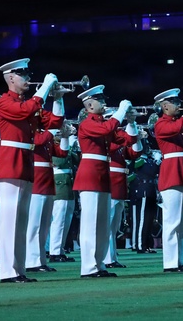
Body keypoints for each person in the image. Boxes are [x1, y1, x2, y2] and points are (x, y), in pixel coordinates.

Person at [0, 58, 65, 284]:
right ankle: (8, 271)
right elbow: (26, 111)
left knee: (20, 220)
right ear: (11, 78)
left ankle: (18, 269)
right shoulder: (4, 102)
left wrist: (59, 98)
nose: (27, 79)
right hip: (11, 160)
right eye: (23, 75)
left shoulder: (27, 103)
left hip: (25, 161)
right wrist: (44, 87)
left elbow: (55, 122)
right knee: (10, 219)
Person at [73, 84, 132, 278]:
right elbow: (107, 128)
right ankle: (89, 267)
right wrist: (121, 111)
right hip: (90, 175)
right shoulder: (88, 123)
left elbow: (126, 140)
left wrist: (130, 122)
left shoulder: (100, 124)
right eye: (100, 100)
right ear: (89, 106)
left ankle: (99, 264)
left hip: (102, 175)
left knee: (102, 224)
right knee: (91, 224)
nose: (104, 103)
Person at [152, 88, 183, 273]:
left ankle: (180, 260)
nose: (178, 105)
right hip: (172, 173)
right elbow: (177, 128)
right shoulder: (161, 124)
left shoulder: (178, 122)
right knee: (172, 221)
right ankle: (170, 262)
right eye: (175, 103)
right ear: (164, 106)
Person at [26, 126, 70, 273]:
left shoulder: (46, 136)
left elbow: (62, 153)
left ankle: (40, 260)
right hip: (36, 180)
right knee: (34, 224)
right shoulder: (32, 131)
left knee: (44, 225)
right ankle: (31, 260)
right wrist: (51, 130)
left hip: (47, 180)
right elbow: (38, 141)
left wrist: (64, 136)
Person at [104, 118, 142, 269]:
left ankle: (112, 257)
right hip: (111, 183)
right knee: (108, 224)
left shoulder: (118, 140)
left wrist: (136, 139)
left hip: (119, 185)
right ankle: (108, 259)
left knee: (114, 226)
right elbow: (112, 148)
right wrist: (127, 137)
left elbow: (134, 153)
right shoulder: (108, 140)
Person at [49, 132, 79, 263]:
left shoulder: (64, 146)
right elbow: (59, 161)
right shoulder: (52, 146)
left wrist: (71, 145)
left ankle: (60, 250)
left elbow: (76, 160)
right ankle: (54, 251)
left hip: (68, 184)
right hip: (59, 184)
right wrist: (66, 142)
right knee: (58, 220)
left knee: (66, 221)